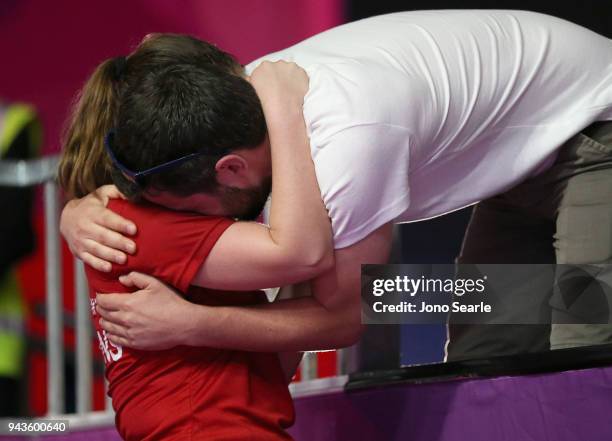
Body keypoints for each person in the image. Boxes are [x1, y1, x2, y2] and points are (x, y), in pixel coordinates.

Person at [61, 10, 612, 361]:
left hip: (594, 123)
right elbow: (332, 292)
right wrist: (79, 213)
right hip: (525, 155)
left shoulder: (350, 141)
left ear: (231, 169)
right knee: (482, 355)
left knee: (584, 353)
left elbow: (342, 316)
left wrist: (191, 323)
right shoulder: (217, 110)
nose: (209, 231)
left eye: (194, 218)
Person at [58, 34, 335, 439]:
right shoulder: (137, 228)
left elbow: (320, 324)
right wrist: (284, 111)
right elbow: (307, 258)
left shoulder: (127, 221)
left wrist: (194, 323)